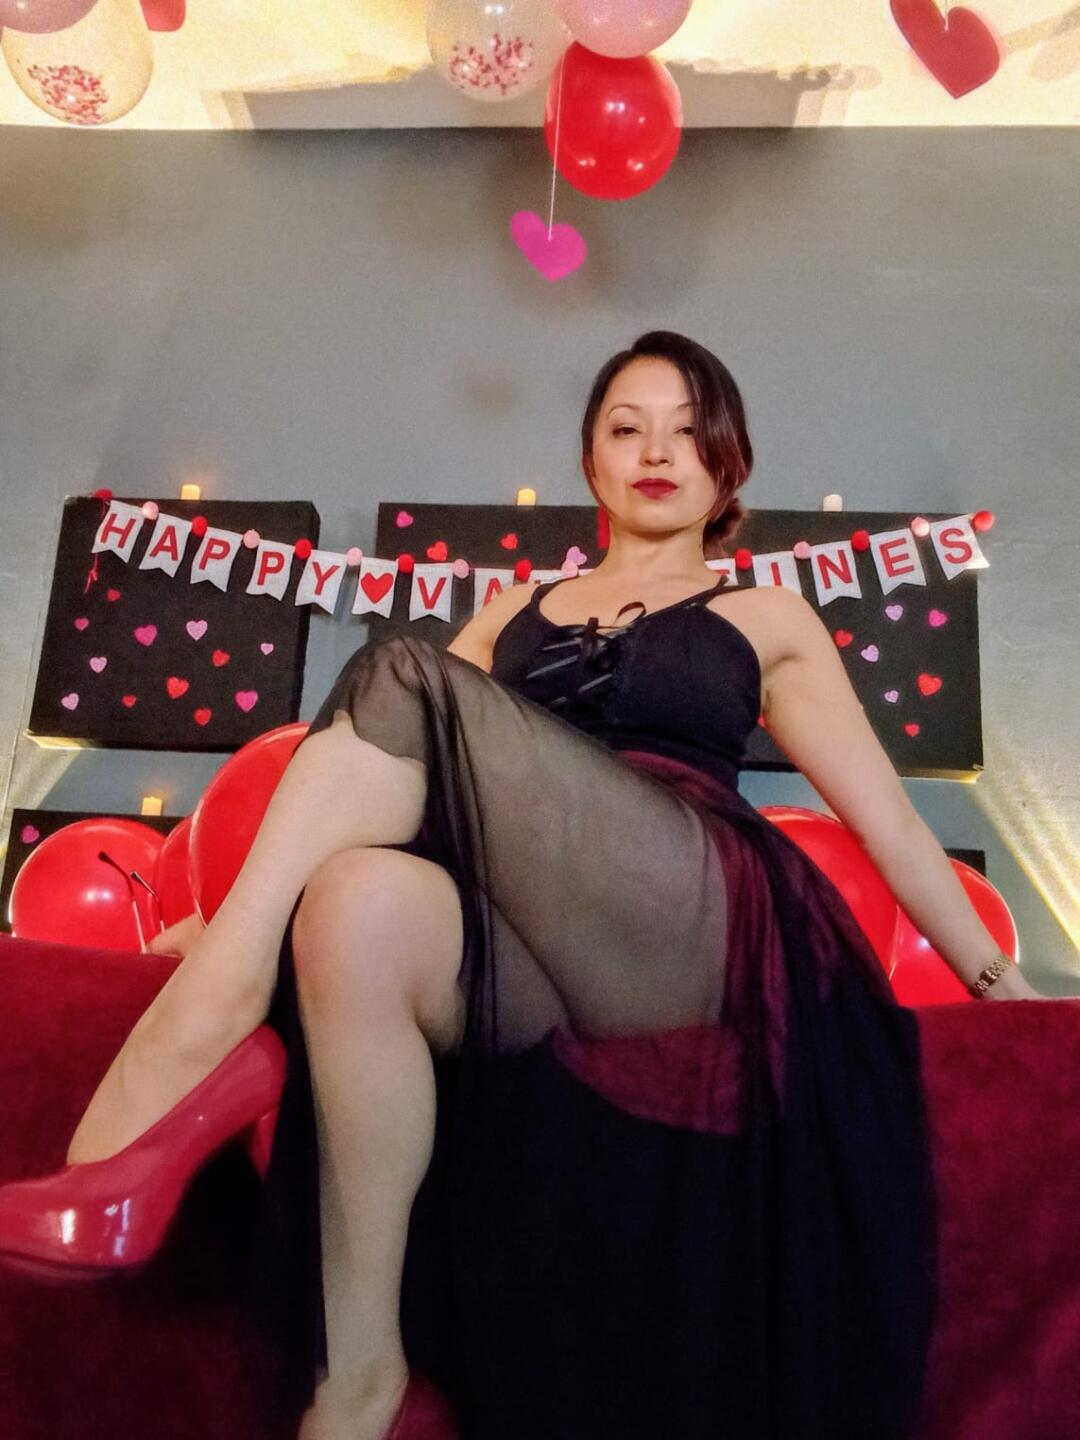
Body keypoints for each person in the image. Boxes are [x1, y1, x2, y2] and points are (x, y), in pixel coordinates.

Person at [0, 332, 1046, 1440]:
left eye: (689, 430)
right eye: (627, 428)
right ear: (590, 461)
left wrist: (1003, 985)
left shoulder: (767, 615)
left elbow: (889, 823)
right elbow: (396, 773)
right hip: (538, 956)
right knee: (355, 902)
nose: (658, 452)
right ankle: (363, 1372)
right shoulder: (515, 610)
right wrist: (242, 904)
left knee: (401, 673)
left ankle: (207, 1010)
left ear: (729, 464)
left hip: (687, 918)